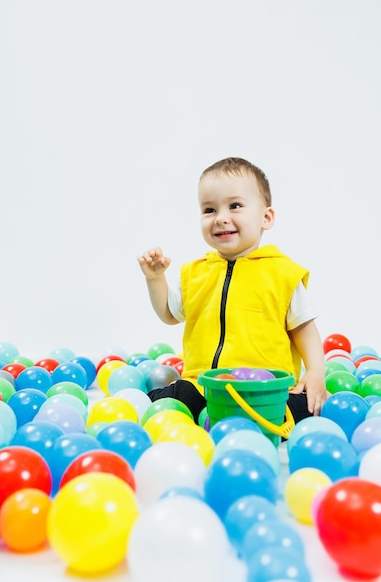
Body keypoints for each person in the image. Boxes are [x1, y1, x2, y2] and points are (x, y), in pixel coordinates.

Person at [137, 157, 327, 427]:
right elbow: (169, 314)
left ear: (266, 217)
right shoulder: (196, 273)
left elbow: (304, 329)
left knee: (301, 409)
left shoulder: (283, 273)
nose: (221, 218)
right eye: (209, 209)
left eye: (235, 206)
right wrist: (155, 279)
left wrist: (316, 373)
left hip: (265, 389)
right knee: (171, 401)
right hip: (205, 386)